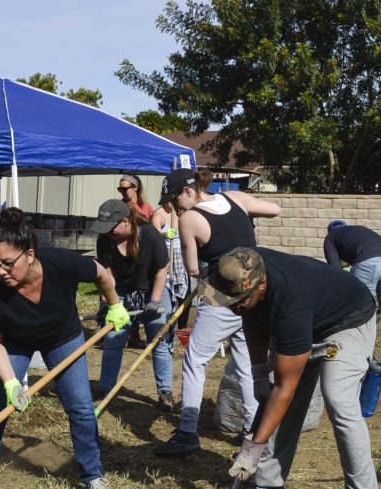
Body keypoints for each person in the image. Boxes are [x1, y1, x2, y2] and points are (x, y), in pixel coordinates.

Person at [0, 208, 128, 489]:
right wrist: (10, 384)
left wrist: (114, 304)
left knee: (81, 409)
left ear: (30, 254)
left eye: (8, 263)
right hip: (12, 344)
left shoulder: (61, 263)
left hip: (63, 337)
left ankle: (93, 477)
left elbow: (102, 274)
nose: (1, 271)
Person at [202, 247, 381, 489]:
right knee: (276, 392)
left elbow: (286, 387)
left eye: (238, 301)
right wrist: (260, 372)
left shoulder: (289, 303)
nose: (233, 306)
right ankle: (270, 486)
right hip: (310, 313)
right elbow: (252, 317)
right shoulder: (239, 269)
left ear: (261, 286)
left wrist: (252, 450)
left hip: (348, 318)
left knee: (337, 398)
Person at [157, 169, 281, 455]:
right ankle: (252, 428)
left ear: (189, 191)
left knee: (195, 360)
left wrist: (209, 267)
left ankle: (188, 431)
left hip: (221, 298)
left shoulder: (190, 218)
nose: (173, 207)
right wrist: (247, 218)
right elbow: (275, 208)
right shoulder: (235, 197)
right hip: (254, 296)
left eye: (174, 200)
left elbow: (192, 269)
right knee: (246, 363)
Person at [91, 199, 175, 412]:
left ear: (127, 222)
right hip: (121, 292)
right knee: (113, 340)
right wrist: (107, 303)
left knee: (159, 341)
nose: (108, 232)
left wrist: (154, 302)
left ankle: (165, 392)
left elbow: (161, 270)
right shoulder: (105, 241)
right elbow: (106, 275)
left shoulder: (149, 235)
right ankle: (105, 390)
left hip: (152, 290)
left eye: (111, 227)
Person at [323, 220, 381, 373]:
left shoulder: (331, 238)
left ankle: (365, 357)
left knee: (359, 311)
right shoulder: (357, 231)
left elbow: (335, 273)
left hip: (368, 263)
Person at [151, 199, 191, 331]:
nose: (171, 202)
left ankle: (182, 327)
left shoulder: (181, 213)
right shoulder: (158, 215)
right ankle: (167, 325)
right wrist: (164, 234)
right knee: (170, 292)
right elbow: (154, 237)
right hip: (168, 255)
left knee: (185, 294)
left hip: (182, 256)